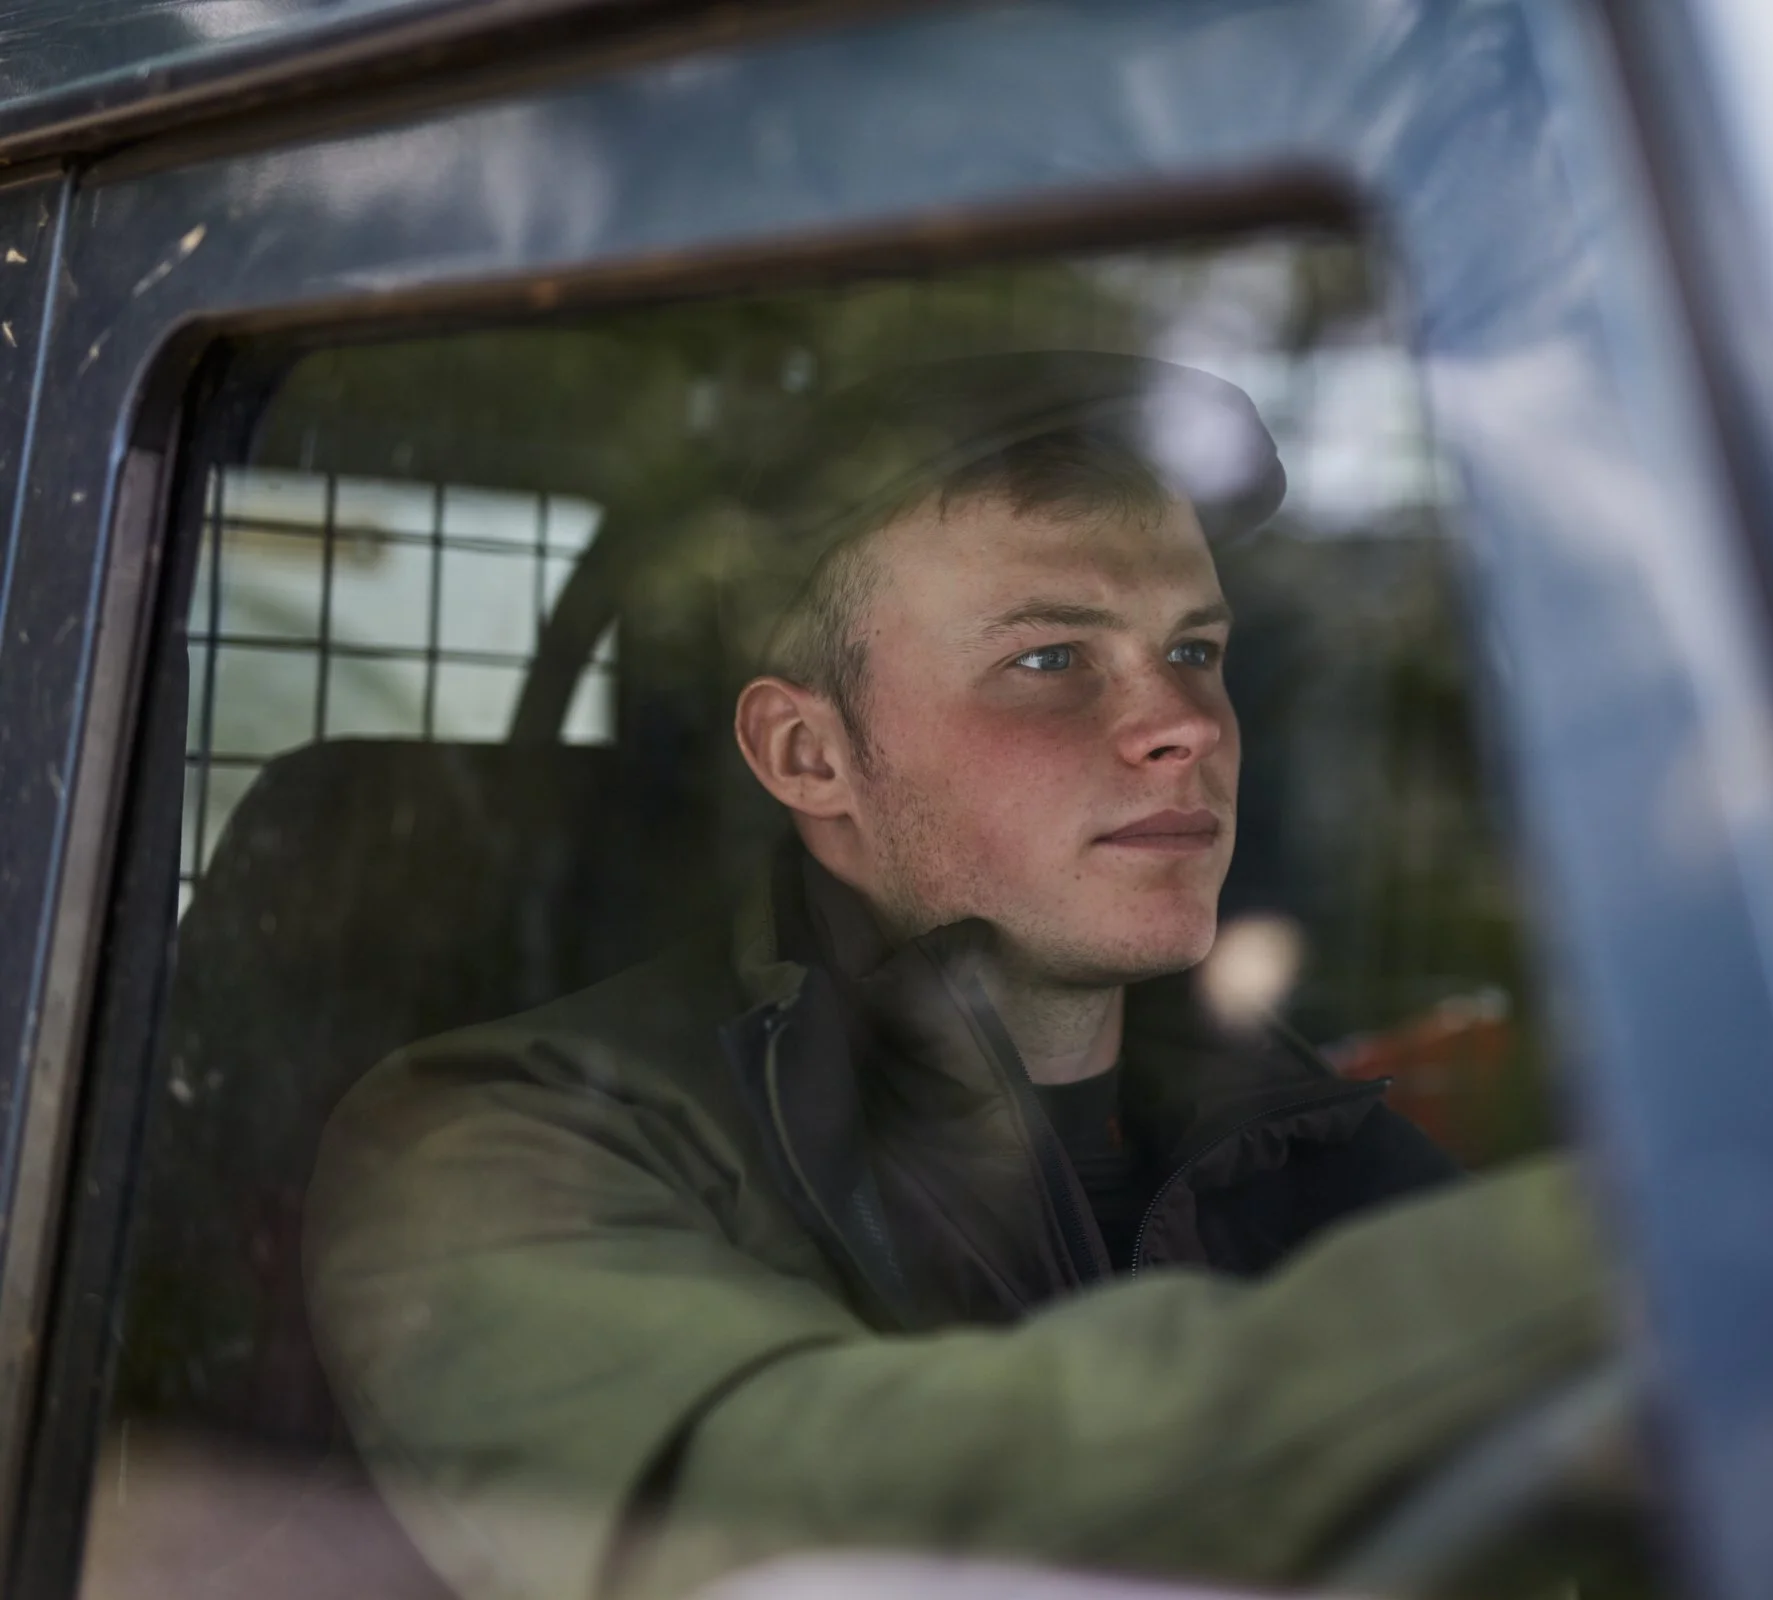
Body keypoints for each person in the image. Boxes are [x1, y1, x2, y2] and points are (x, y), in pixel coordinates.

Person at [303, 353, 1616, 1600]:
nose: (1183, 726)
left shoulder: (1315, 1144)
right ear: (811, 757)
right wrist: (1615, 1263)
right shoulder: (503, 1141)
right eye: (1048, 662)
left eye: (1196, 651)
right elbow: (798, 1531)